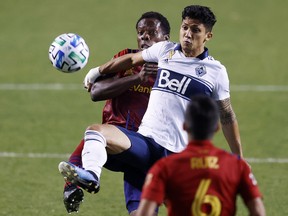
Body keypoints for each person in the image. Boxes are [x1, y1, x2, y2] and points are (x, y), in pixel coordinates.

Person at [59, 4, 243, 214]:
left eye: (195, 30)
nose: (187, 34)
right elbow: (130, 59)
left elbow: (227, 115)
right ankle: (91, 175)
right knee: (96, 131)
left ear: (207, 36)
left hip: (176, 156)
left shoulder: (216, 72)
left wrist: (239, 159)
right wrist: (95, 71)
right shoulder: (165, 50)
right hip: (145, 144)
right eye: (184, 27)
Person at [60, 11, 171, 215]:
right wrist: (136, 79)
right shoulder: (125, 60)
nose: (144, 37)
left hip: (148, 148)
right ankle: (73, 184)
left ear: (165, 39)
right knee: (97, 134)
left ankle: (74, 181)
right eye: (140, 32)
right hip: (117, 144)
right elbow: (96, 92)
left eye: (151, 32)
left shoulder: (173, 70)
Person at [136, 95, 266, 216]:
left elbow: (144, 213)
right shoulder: (237, 166)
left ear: (185, 126)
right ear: (216, 127)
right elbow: (258, 211)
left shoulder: (164, 168)